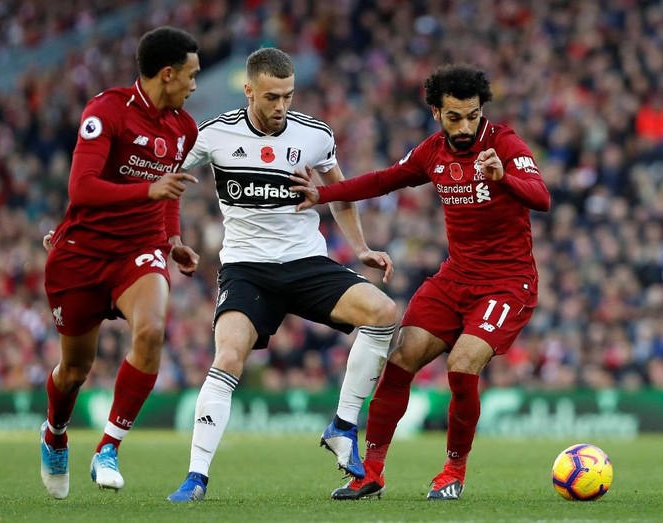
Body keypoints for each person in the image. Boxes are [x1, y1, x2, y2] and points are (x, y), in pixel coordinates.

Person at [290, 63, 551, 500]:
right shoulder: (432, 152)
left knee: (461, 366)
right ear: (436, 112)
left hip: (507, 283)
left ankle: (453, 472)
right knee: (400, 359)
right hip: (456, 277)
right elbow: (382, 181)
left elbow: (541, 197)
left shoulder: (503, 143)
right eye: (454, 117)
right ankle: (370, 472)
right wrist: (323, 195)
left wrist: (504, 179)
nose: (465, 127)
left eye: (472, 115)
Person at [166, 47, 397, 502]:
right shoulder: (214, 134)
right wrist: (171, 237)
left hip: (305, 263)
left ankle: (342, 425)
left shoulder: (315, 135)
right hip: (246, 269)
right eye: (271, 97)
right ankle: (196, 477)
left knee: (384, 312)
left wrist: (361, 248)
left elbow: (339, 193)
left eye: (288, 96)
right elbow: (163, 180)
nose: (281, 106)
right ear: (248, 90)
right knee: (228, 357)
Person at [39, 26, 202, 500]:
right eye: (191, 75)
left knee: (151, 330)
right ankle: (55, 432)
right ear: (167, 74)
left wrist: (172, 239)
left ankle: (108, 448)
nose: (194, 85)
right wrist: (147, 190)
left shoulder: (184, 127)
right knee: (74, 371)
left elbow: (170, 187)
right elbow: (81, 188)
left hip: (139, 249)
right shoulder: (106, 111)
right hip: (82, 255)